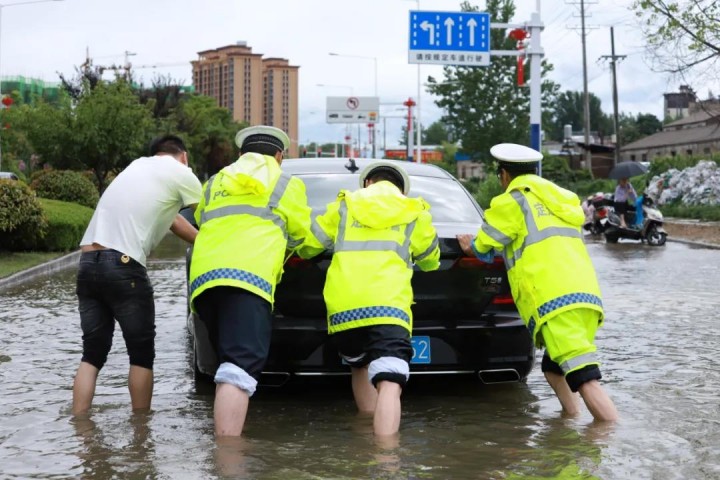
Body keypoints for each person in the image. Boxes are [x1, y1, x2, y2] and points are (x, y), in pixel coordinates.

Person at [457, 143, 618, 423]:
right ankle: (570, 421)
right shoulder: (560, 201)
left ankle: (610, 437)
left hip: (554, 302)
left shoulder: (513, 201)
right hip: (586, 297)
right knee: (554, 369)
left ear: (504, 175)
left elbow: (484, 247)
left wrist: (469, 246)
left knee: (584, 376)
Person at [189, 125, 321, 437]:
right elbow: (304, 236)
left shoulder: (215, 181)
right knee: (238, 368)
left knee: (226, 363)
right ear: (279, 156)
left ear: (241, 154)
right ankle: (228, 459)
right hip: (248, 281)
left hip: (205, 284)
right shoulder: (284, 182)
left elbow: (200, 220)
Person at [72, 134, 202, 415]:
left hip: (87, 263)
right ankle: (141, 437)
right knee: (141, 355)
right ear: (184, 156)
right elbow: (209, 214)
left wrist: (202, 241)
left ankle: (80, 429)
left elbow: (175, 221)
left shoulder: (135, 167)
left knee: (92, 354)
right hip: (123, 265)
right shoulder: (182, 172)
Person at [312, 161, 441, 436]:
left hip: (344, 308)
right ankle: (385, 459)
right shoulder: (413, 211)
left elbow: (310, 244)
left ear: (368, 183)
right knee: (390, 378)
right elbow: (431, 260)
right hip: (389, 307)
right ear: (400, 189)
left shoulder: (345, 206)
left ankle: (364, 434)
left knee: (359, 366)